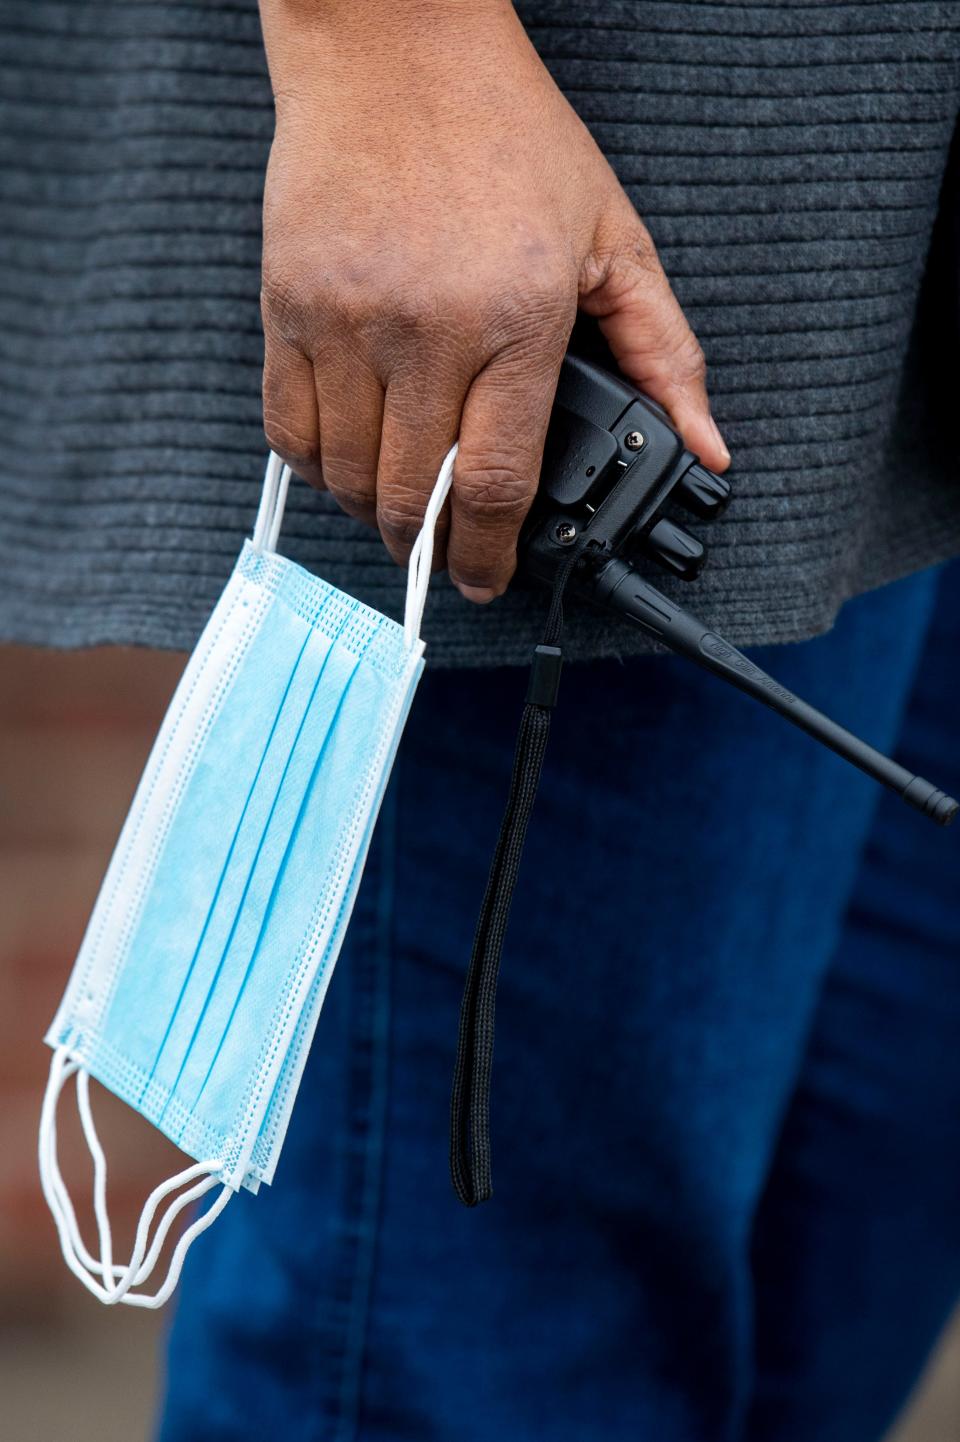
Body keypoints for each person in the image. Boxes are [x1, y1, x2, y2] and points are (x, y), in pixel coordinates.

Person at [2, 3, 959, 1439]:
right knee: (485, 1341)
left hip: (895, 239)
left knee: (834, 1260)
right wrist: (393, 51)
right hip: (583, 197)